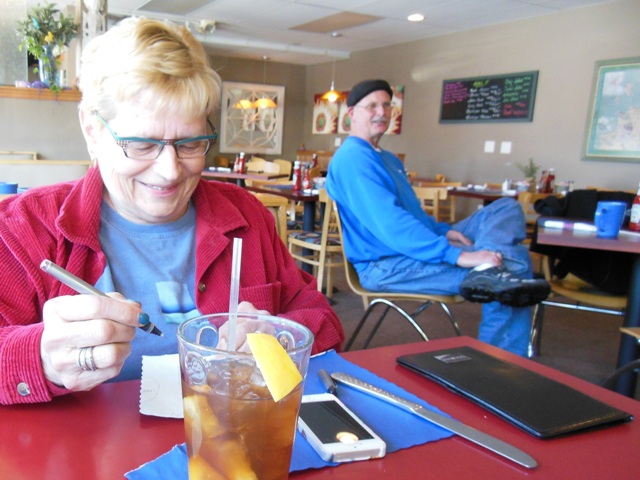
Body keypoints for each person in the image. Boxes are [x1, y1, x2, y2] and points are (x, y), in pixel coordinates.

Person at [0, 18, 343, 405]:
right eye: (142, 144)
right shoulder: (22, 227)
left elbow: (323, 319)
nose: (170, 170)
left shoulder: (247, 217)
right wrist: (41, 358)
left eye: (190, 143)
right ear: (92, 131)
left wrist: (279, 337)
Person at [326, 79, 550, 356]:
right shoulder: (353, 158)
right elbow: (392, 225)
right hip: (386, 264)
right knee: (512, 263)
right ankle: (501, 363)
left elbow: (412, 214)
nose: (381, 112)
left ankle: (489, 270)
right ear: (352, 113)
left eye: (386, 105)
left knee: (505, 207)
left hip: (413, 249)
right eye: (372, 106)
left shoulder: (390, 159)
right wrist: (458, 255)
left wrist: (443, 231)